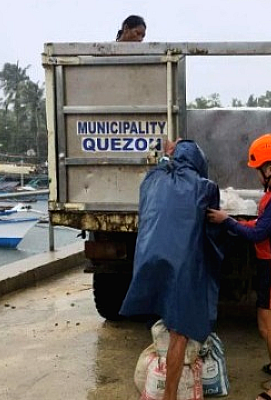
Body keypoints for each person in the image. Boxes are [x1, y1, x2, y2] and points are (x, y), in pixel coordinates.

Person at [119, 139, 222, 400]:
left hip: (147, 260)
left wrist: (167, 156)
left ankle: (158, 382)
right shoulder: (204, 188)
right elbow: (213, 230)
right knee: (180, 330)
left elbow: (160, 168)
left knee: (159, 313)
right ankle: (170, 396)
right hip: (180, 265)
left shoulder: (151, 179)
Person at [206, 133, 271, 400]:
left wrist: (226, 221)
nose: (257, 174)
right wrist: (237, 223)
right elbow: (261, 228)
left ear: (270, 169)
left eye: (259, 169)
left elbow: (258, 234)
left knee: (266, 325)